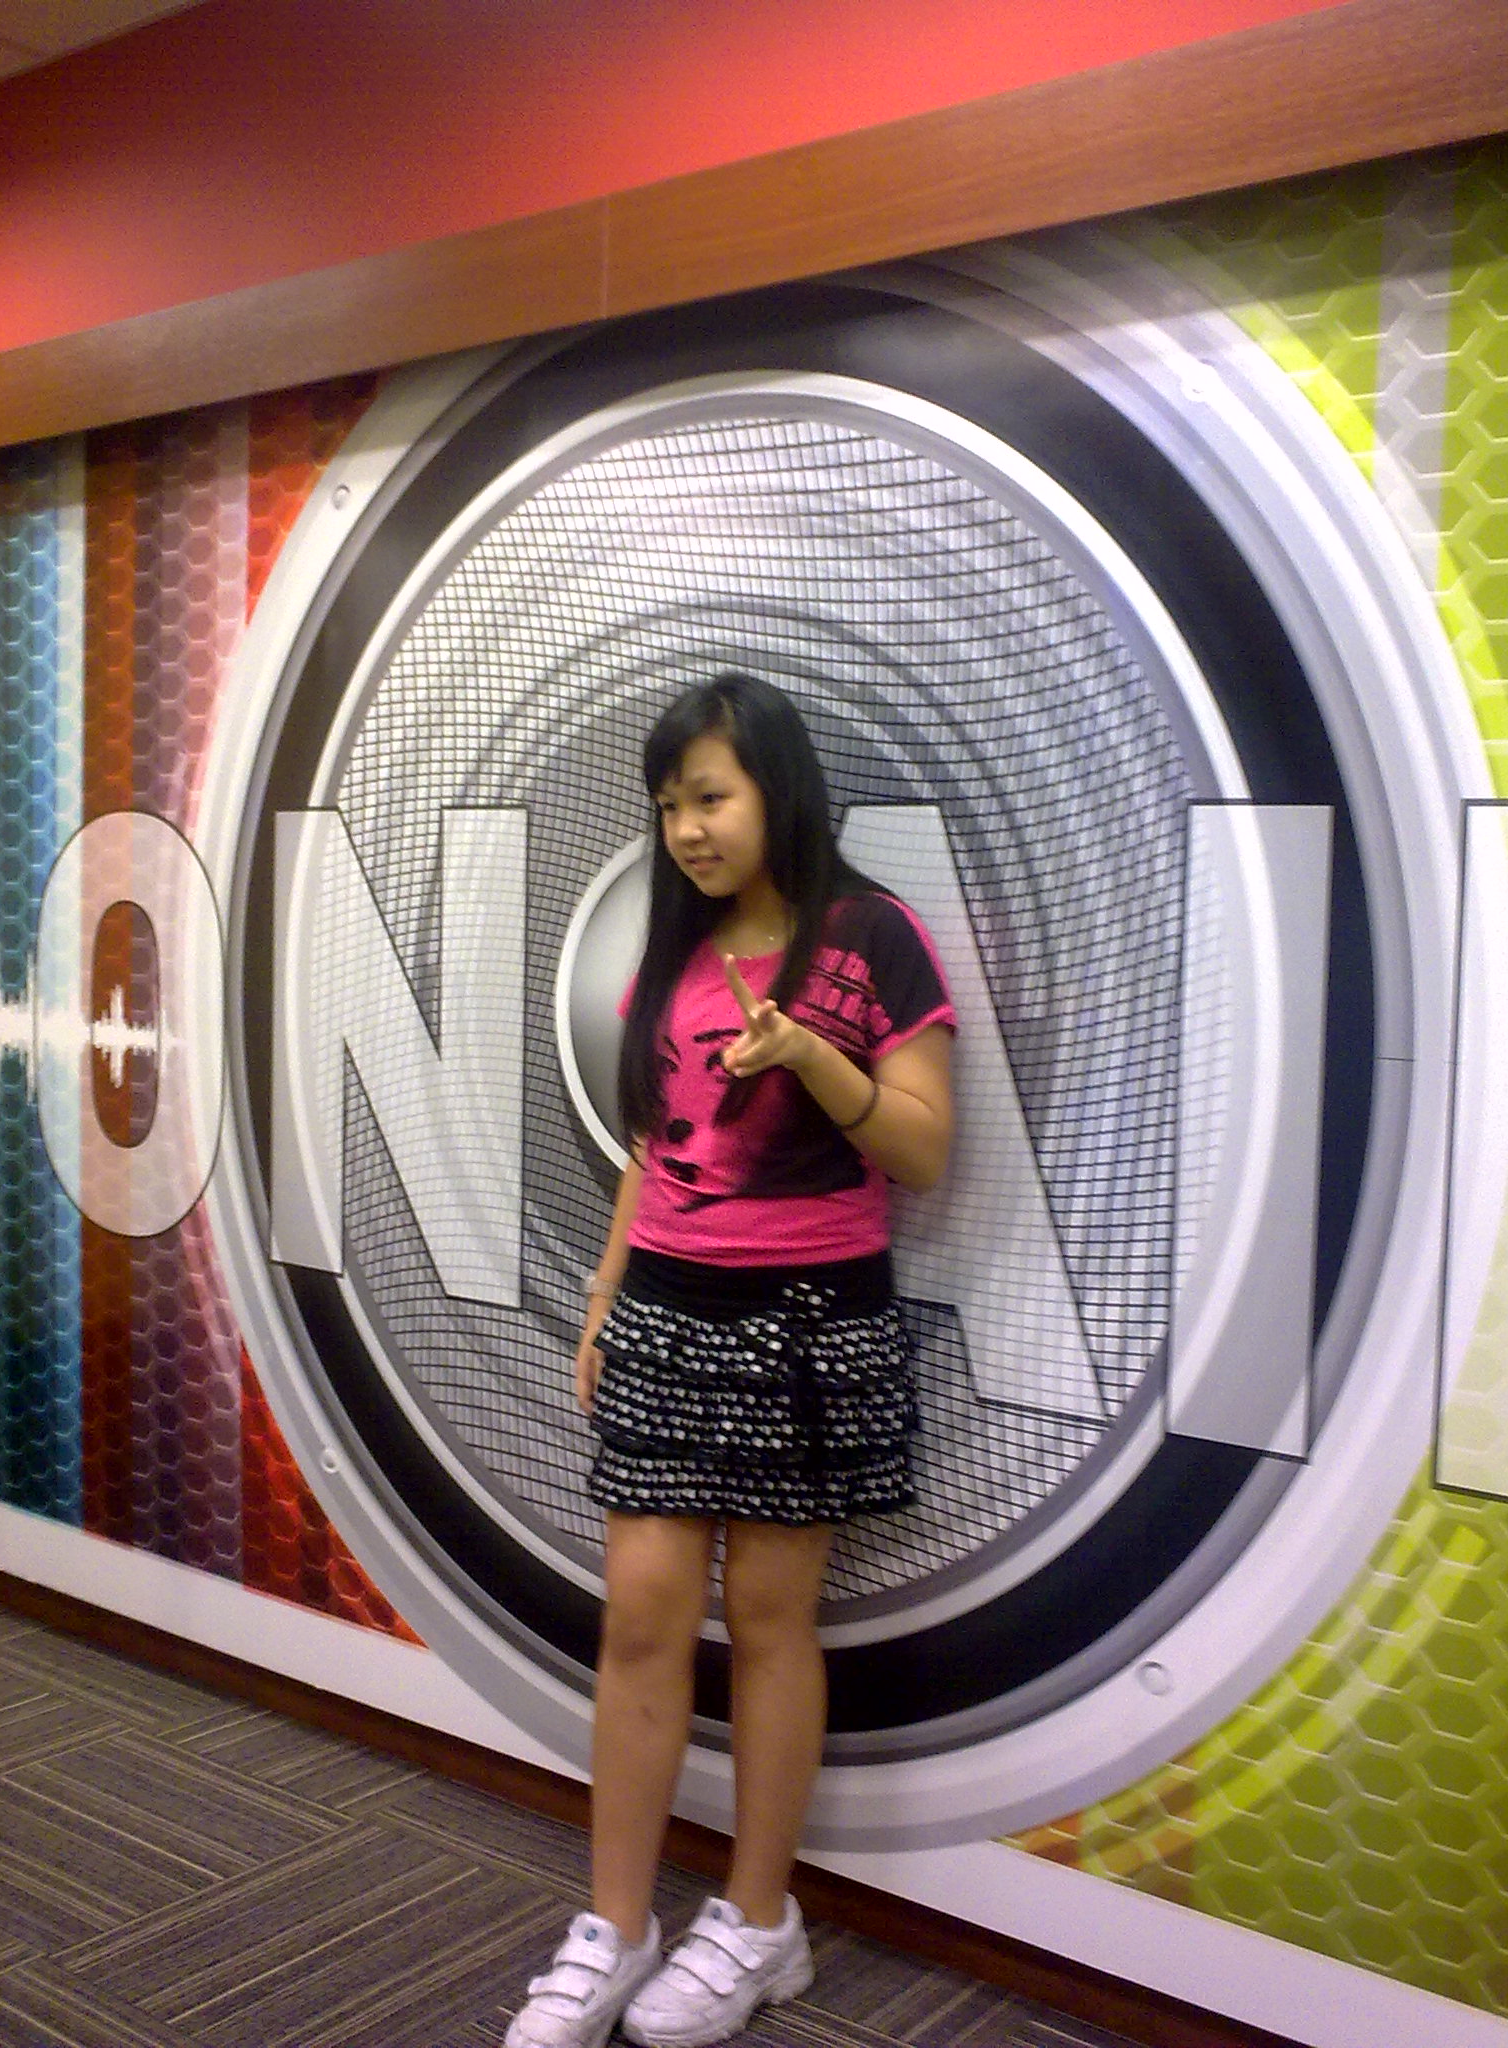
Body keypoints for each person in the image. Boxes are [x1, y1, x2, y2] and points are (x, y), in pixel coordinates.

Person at [507, 673, 955, 2048]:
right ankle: (617, 1927)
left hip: (810, 1318)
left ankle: (762, 1923)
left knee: (768, 1623)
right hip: (665, 1309)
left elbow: (925, 1150)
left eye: (710, 797)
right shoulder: (675, 953)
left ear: (778, 788)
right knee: (642, 1620)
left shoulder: (874, 937)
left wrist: (811, 1056)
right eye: (669, 808)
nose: (688, 830)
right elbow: (656, 1149)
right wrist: (603, 1296)